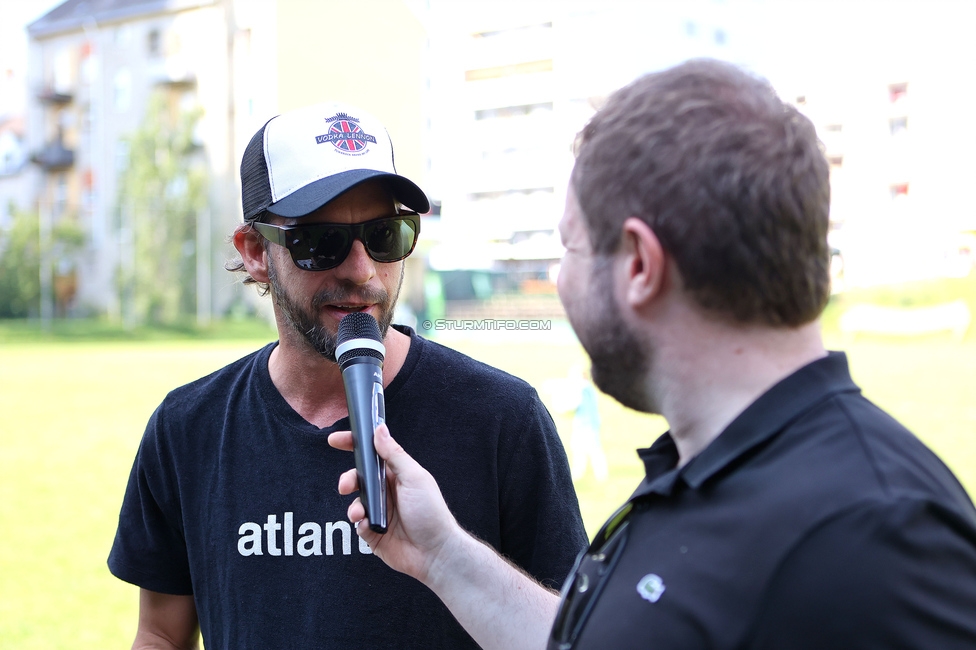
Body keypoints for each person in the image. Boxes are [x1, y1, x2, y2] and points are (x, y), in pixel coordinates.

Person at [328, 60, 976, 649]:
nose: (560, 280)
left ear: (639, 265)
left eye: (570, 249)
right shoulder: (706, 474)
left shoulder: (874, 535)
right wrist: (443, 556)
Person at [107, 102, 588, 649]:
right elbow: (160, 634)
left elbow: (574, 634)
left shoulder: (502, 418)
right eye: (321, 242)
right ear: (256, 251)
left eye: (385, 235)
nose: (362, 271)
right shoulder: (187, 427)